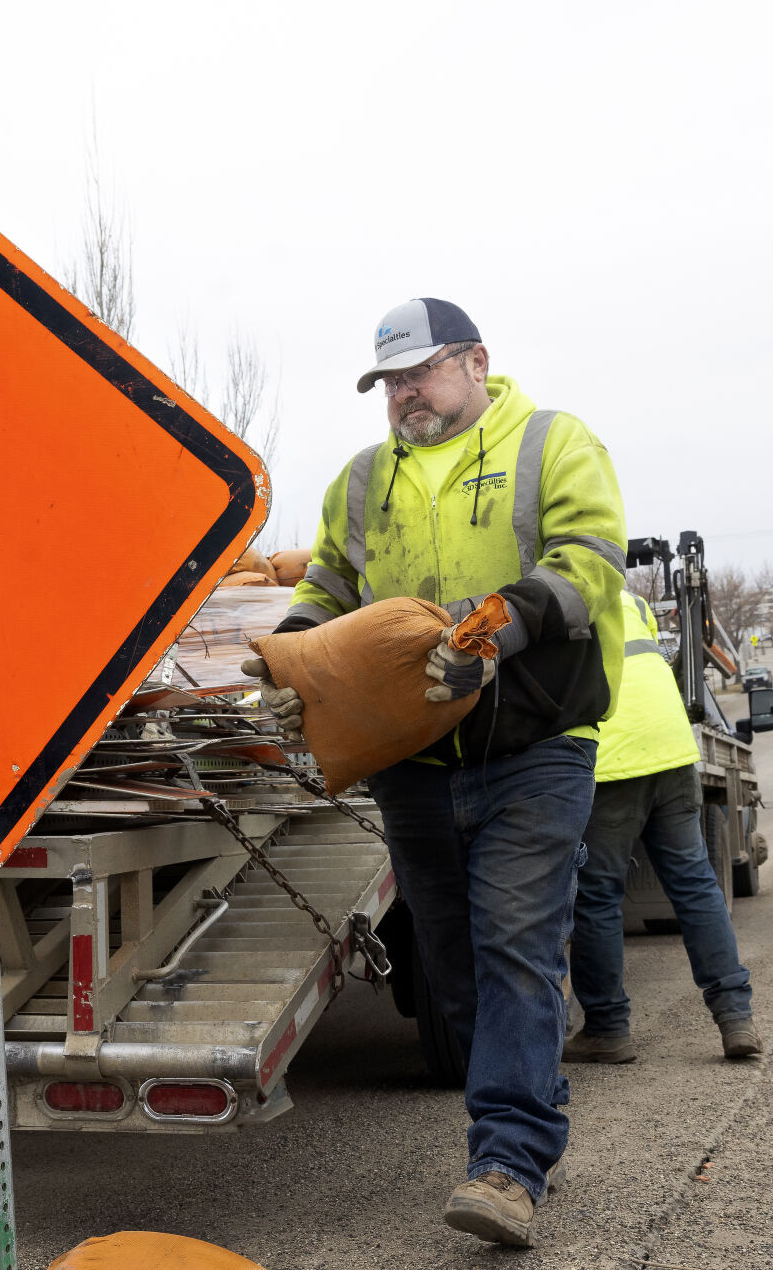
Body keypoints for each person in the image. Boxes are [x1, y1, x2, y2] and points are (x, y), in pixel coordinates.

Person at [242, 297, 626, 1248]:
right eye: (388, 382)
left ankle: (506, 1162)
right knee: (452, 968)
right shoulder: (364, 477)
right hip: (411, 760)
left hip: (534, 748)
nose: (403, 394)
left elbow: (590, 560)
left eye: (419, 372)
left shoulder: (550, 442)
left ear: (474, 362)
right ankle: (532, 1095)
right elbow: (328, 583)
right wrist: (292, 657)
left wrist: (490, 632)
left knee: (515, 948)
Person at [564, 588, 762, 1063]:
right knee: (695, 886)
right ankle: (736, 1019)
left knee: (598, 896)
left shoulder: (551, 594)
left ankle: (608, 1029)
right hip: (671, 747)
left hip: (613, 755)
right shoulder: (630, 598)